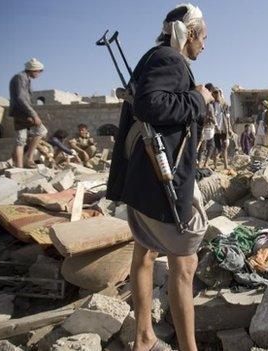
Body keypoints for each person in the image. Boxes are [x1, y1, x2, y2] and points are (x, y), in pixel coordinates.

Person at [106, 4, 212, 351]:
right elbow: (151, 105)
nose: (204, 46)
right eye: (203, 38)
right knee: (185, 264)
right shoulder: (169, 59)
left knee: (146, 254)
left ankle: (143, 336)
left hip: (143, 179)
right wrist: (198, 99)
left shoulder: (154, 56)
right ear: (191, 33)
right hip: (159, 181)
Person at [9, 58, 47, 169]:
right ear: (34, 70)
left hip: (21, 111)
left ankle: (20, 167)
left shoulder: (25, 78)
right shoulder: (20, 77)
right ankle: (29, 159)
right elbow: (21, 98)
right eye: (40, 71)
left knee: (21, 139)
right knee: (41, 130)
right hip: (21, 112)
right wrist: (33, 114)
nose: (40, 74)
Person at [210, 88, 233, 172]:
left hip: (224, 129)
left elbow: (228, 117)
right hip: (215, 130)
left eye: (217, 93)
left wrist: (230, 128)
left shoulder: (224, 105)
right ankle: (215, 166)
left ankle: (226, 165)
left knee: (225, 147)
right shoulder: (211, 104)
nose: (216, 95)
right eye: (214, 93)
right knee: (216, 148)